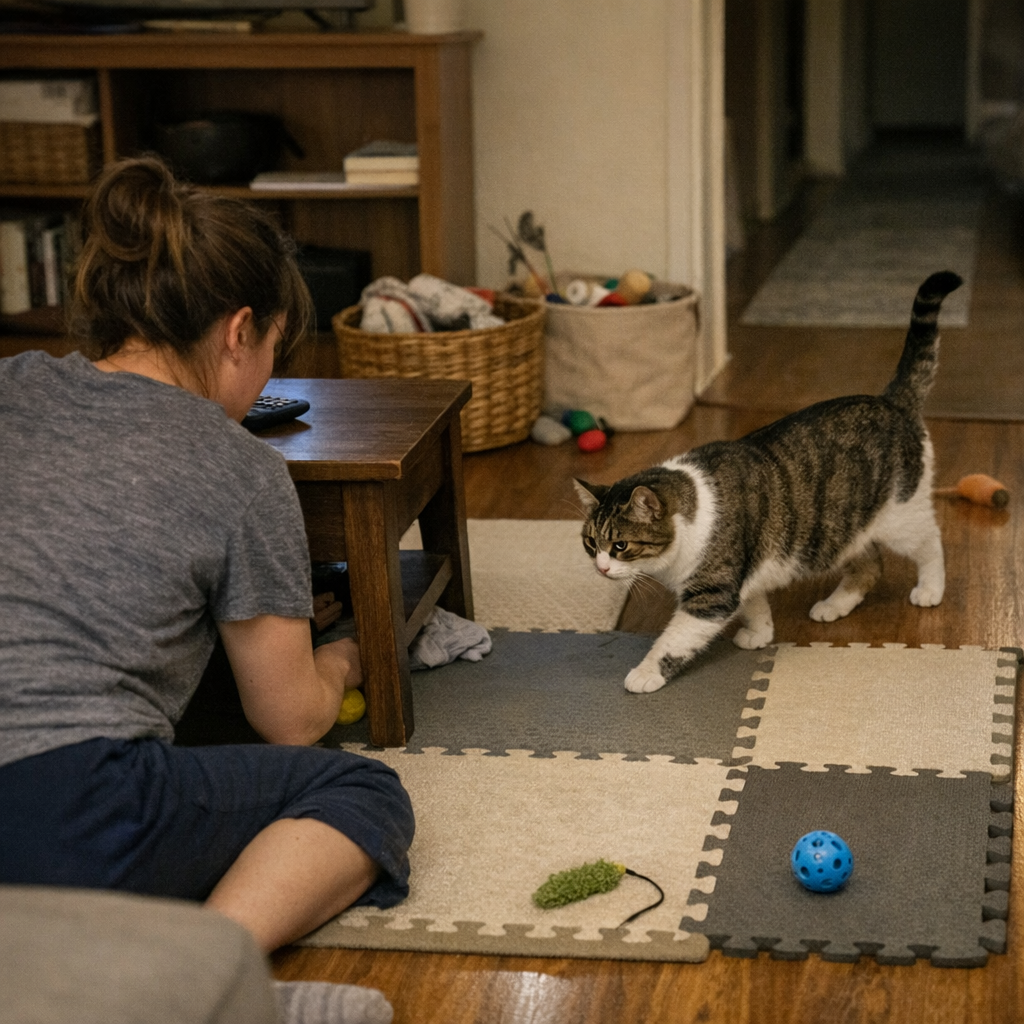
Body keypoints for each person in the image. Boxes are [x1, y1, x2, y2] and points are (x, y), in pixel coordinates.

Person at [0, 157, 413, 1024]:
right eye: (274, 349)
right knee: (360, 792)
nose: (267, 373)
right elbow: (291, 721)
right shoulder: (240, 470)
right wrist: (339, 658)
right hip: (59, 804)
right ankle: (184, 985)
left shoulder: (11, 385)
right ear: (238, 332)